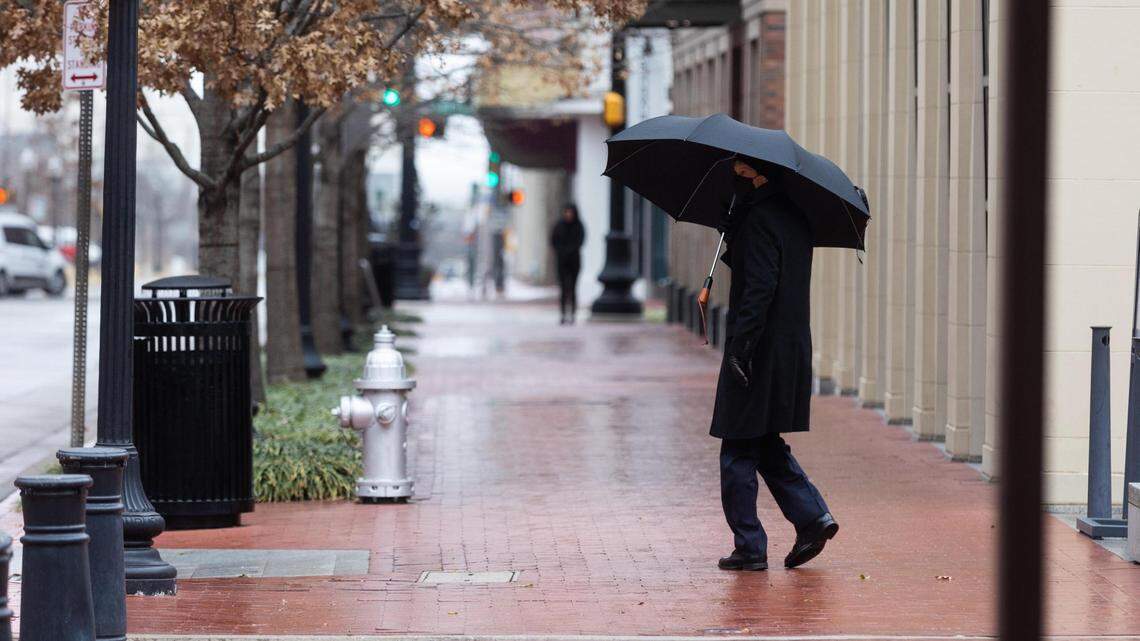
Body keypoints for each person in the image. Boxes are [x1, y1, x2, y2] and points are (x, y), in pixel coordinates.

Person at [711, 160, 838, 572]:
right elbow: (768, 272)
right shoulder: (788, 214)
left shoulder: (760, 217)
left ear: (751, 170)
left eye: (736, 166)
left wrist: (741, 349)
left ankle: (750, 545)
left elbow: (760, 288)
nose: (731, 171)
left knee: (736, 448)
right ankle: (812, 517)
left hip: (760, 350)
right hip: (785, 347)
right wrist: (733, 233)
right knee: (762, 442)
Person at [550, 204, 585, 324]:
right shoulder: (559, 226)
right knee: (563, 289)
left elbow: (581, 241)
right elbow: (553, 241)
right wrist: (561, 251)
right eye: (567, 212)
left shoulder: (579, 226)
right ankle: (563, 314)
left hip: (574, 261)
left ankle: (573, 314)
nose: (568, 215)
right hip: (562, 261)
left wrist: (571, 250)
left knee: (573, 288)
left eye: (570, 212)